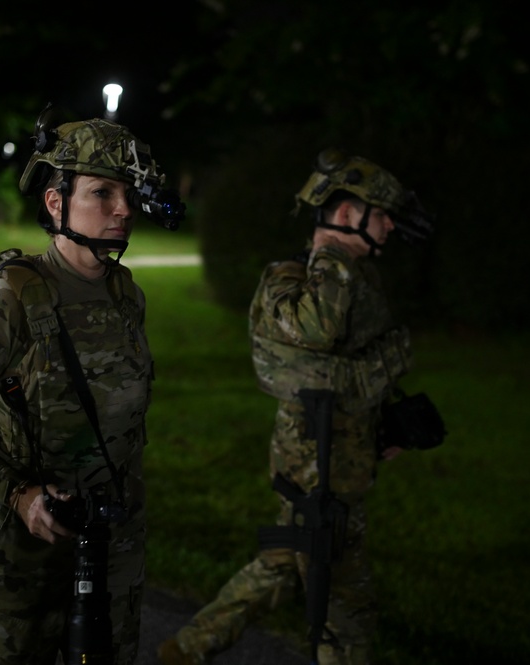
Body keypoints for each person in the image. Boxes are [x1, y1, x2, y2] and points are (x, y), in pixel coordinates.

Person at [0, 111, 185, 664]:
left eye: (128, 192)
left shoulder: (127, 297)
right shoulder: (9, 305)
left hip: (107, 555)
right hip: (14, 562)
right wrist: (17, 492)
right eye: (102, 192)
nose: (123, 209)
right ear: (56, 204)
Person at [158, 148, 435, 665]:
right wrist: (331, 252)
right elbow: (315, 359)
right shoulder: (289, 282)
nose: (391, 227)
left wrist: (384, 425)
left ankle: (187, 647)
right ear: (350, 215)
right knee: (345, 612)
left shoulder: (357, 279)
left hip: (343, 459)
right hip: (316, 473)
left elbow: (349, 370)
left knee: (282, 561)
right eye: (381, 216)